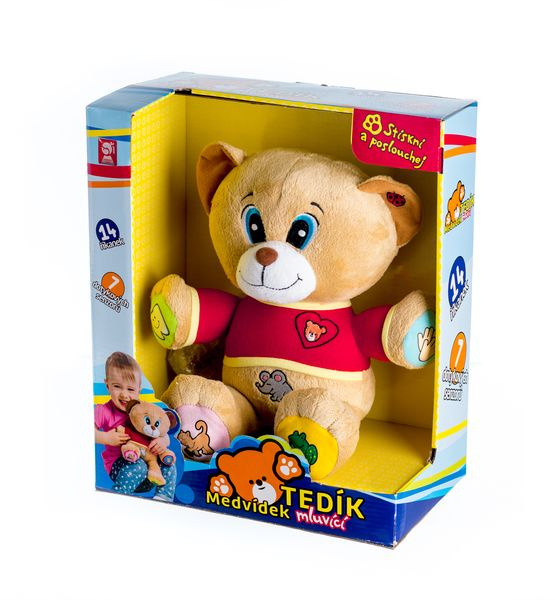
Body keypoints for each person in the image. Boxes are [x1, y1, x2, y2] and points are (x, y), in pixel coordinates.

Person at [94, 352, 176, 501]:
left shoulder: (145, 410)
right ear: (107, 385)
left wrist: (162, 441)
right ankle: (119, 495)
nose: (124, 395)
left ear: (139, 389)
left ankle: (163, 497)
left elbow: (162, 431)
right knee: (138, 465)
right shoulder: (103, 411)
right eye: (117, 386)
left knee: (169, 462)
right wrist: (106, 437)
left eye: (130, 389)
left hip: (152, 473)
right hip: (122, 469)